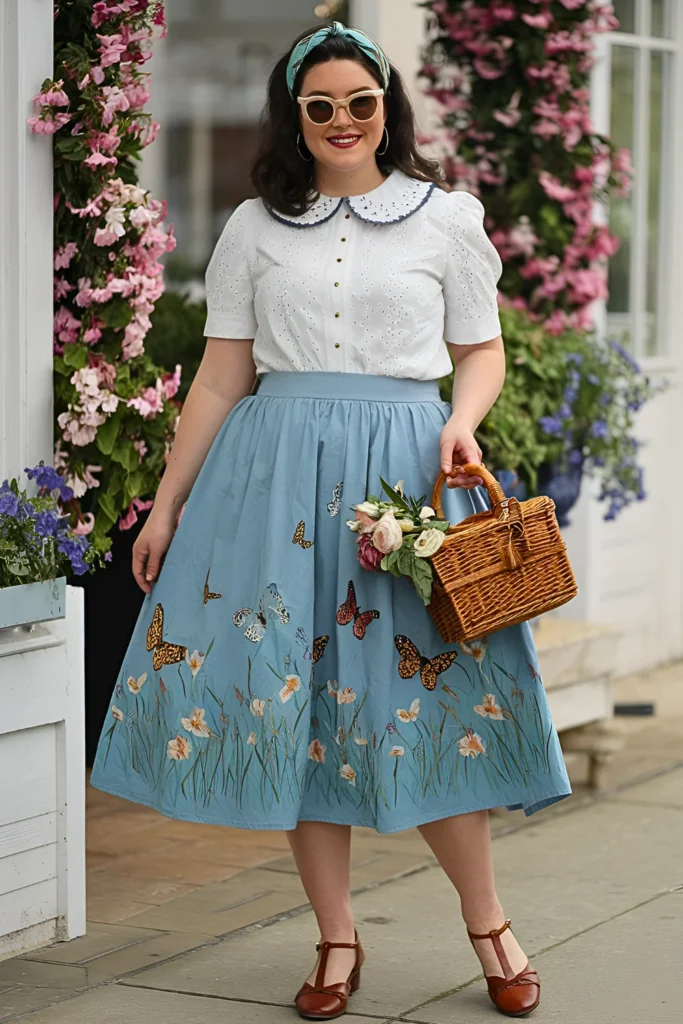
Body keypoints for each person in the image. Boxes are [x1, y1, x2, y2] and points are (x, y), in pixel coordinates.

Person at [90, 21, 571, 1021]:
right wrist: (167, 505)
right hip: (272, 485)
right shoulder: (255, 226)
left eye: (360, 101)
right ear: (294, 118)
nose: (343, 120)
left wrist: (461, 425)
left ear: (387, 108)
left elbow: (477, 349)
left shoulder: (448, 218)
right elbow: (222, 375)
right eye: (320, 106)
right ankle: (335, 938)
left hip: (400, 475)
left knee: (432, 705)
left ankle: (487, 923)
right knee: (293, 708)